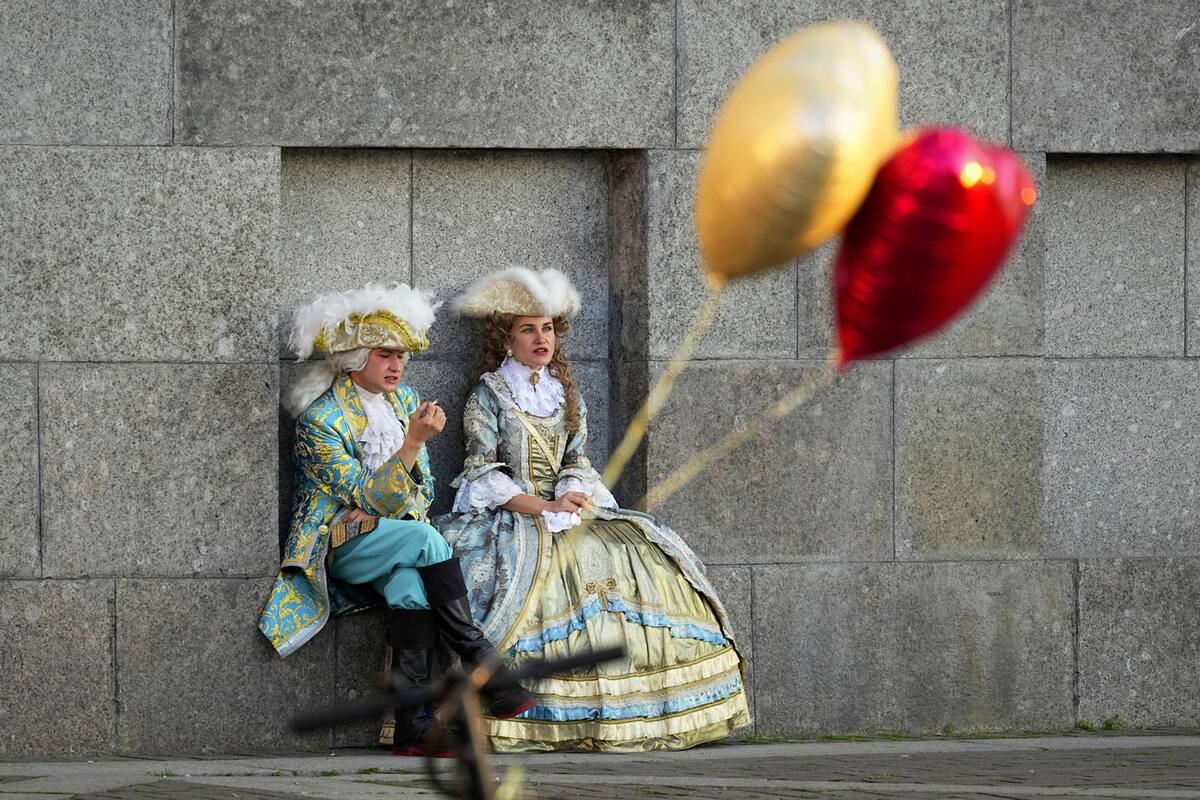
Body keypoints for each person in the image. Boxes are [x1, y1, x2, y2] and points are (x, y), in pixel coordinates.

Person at [436, 268, 751, 752]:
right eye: (527, 329)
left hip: (565, 506)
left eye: (547, 328)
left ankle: (641, 713)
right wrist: (544, 505)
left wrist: (574, 492)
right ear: (506, 339)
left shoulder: (566, 391)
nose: (541, 339)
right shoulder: (489, 395)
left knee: (633, 557)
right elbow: (480, 472)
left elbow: (576, 458)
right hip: (516, 513)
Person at [258, 283, 533, 756]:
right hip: (337, 546)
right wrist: (410, 447)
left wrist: (395, 484)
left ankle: (412, 729)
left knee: (411, 590)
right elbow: (366, 494)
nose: (397, 366)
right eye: (385, 355)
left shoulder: (406, 403)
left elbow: (423, 487)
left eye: (402, 356)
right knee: (426, 540)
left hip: (395, 538)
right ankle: (486, 668)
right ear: (353, 357)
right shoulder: (320, 420)